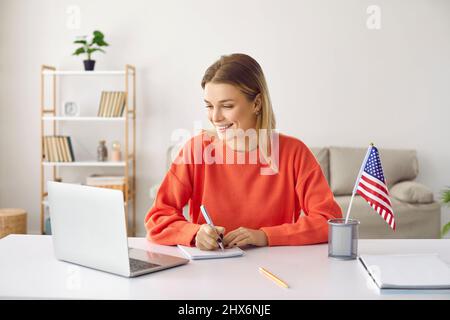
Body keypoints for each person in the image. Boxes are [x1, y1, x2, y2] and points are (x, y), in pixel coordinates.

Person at [145, 53, 342, 250]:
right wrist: (194, 233)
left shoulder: (293, 152)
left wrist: (265, 236)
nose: (215, 117)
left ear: (256, 104)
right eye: (209, 106)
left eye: (227, 106)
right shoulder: (196, 150)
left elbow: (329, 221)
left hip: (276, 267)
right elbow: (158, 218)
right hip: (210, 269)